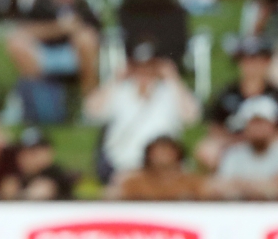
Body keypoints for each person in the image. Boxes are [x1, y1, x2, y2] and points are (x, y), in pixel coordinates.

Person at [85, 41, 201, 183]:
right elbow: (92, 112)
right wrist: (115, 79)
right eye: (139, 67)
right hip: (126, 163)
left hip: (165, 163)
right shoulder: (119, 91)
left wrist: (173, 78)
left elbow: (192, 117)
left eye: (150, 67)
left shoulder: (170, 91)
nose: (144, 72)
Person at [6, 0, 102, 95]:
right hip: (44, 53)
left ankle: (90, 96)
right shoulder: (40, 3)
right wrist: (59, 28)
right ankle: (40, 97)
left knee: (86, 40)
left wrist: (76, 29)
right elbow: (25, 30)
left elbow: (95, 33)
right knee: (16, 43)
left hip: (73, 53)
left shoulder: (84, 5)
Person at [196, 36, 278, 170]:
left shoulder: (275, 94)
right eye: (248, 60)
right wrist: (236, 141)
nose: (253, 66)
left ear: (267, 62)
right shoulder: (227, 93)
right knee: (207, 149)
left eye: (259, 60)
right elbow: (214, 126)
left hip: (267, 144)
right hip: (233, 143)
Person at [212, 95, 278, 200]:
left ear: (273, 126)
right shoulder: (233, 155)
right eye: (254, 123)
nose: (258, 129)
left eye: (262, 123)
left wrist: (243, 185)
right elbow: (218, 187)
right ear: (245, 127)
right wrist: (263, 186)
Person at [109, 135, 206, 201]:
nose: (162, 156)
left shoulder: (193, 182)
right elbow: (111, 196)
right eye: (158, 152)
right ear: (148, 156)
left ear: (178, 155)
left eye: (167, 152)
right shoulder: (134, 182)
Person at [16, 127, 77, 200]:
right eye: (23, 152)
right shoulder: (15, 175)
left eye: (34, 152)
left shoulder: (58, 176)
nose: (26, 157)